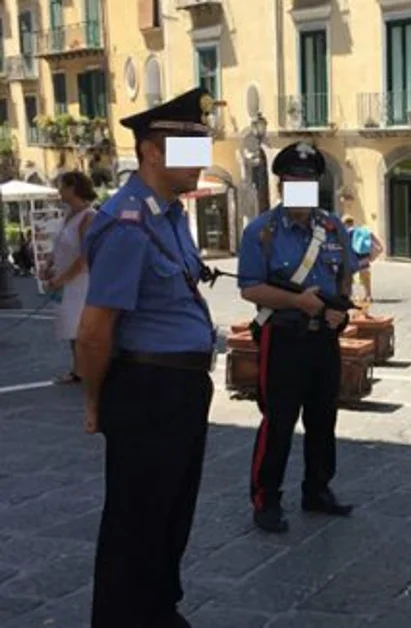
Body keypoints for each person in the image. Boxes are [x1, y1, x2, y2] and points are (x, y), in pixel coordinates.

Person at [76, 87, 218, 627]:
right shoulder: (128, 224)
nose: (199, 161)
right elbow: (94, 332)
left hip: (181, 390)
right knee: (134, 519)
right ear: (152, 153)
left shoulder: (170, 216)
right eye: (188, 149)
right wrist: (95, 402)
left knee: (172, 512)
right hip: (147, 389)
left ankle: (158, 607)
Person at [237, 141, 358, 534]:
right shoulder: (262, 232)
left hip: (323, 338)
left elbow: (345, 274)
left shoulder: (332, 227)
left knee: (324, 418)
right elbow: (251, 289)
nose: (302, 187)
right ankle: (265, 498)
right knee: (279, 420)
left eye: (308, 181)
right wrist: (298, 302)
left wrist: (339, 307)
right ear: (281, 185)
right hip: (283, 338)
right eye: (294, 181)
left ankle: (317, 489)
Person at [43, 171, 98, 385]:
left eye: (61, 186)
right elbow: (60, 246)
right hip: (66, 280)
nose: (59, 191)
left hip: (80, 281)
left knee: (80, 328)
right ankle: (78, 370)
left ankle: (86, 370)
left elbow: (85, 256)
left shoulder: (89, 217)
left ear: (72, 188)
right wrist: (49, 265)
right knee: (71, 327)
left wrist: (61, 278)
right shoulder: (69, 215)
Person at [342, 215, 383, 304]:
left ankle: (350, 296)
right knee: (366, 277)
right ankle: (368, 295)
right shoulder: (362, 230)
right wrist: (376, 251)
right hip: (363, 256)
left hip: (351, 257)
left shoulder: (344, 232)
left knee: (348, 277)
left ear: (344, 223)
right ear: (352, 222)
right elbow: (377, 243)